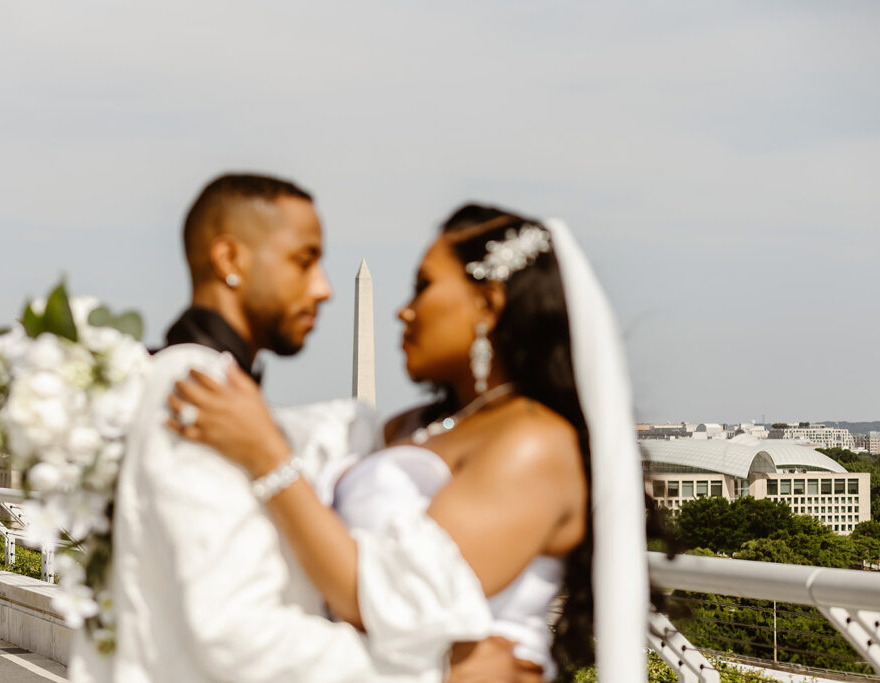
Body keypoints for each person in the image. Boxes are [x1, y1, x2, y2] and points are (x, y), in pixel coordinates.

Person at [70, 175, 534, 682]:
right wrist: (440, 672)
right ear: (230, 260)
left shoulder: (210, 390)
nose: (324, 288)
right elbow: (232, 630)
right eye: (304, 260)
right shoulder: (196, 394)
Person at [168, 204, 650, 681]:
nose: (404, 310)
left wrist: (266, 457)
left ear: (489, 305)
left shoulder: (535, 443)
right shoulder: (407, 427)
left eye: (424, 287)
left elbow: (376, 601)